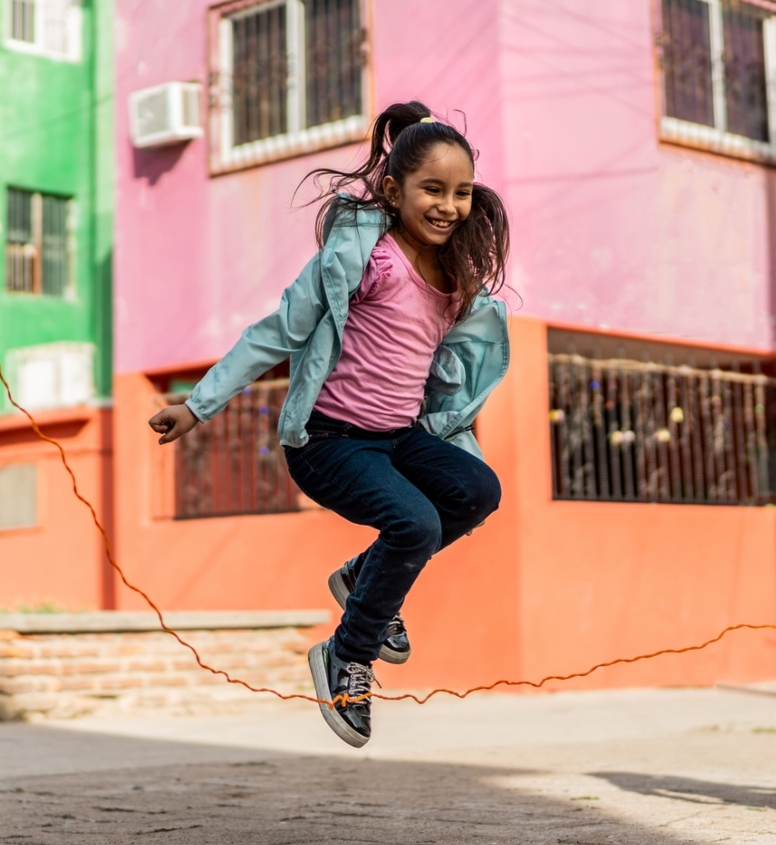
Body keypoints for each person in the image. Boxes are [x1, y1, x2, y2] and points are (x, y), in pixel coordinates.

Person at [149, 102, 510, 749]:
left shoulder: (455, 279)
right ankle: (346, 654)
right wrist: (198, 404)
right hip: (329, 440)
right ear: (394, 191)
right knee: (417, 522)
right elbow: (278, 332)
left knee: (478, 490)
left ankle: (361, 578)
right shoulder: (366, 259)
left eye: (460, 192)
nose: (448, 206)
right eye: (432, 189)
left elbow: (448, 369)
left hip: (396, 439)